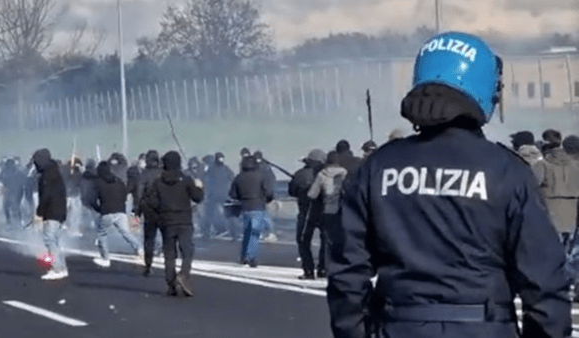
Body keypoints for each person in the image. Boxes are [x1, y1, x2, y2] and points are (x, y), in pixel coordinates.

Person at [327, 31, 571, 338]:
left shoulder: (377, 167)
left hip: (397, 325)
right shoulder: (506, 170)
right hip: (484, 327)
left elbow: (347, 274)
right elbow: (544, 280)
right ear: (486, 89)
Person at [144, 151, 204, 297]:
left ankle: (169, 283)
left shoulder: (156, 181)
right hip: (184, 220)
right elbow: (197, 198)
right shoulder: (186, 179)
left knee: (168, 253)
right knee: (187, 250)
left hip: (164, 220)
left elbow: (151, 201)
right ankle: (184, 273)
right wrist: (199, 187)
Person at [89, 161, 143, 268]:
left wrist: (99, 209)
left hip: (112, 211)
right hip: (126, 210)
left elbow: (92, 199)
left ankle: (105, 257)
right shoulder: (120, 181)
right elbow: (125, 194)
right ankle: (140, 248)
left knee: (102, 233)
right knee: (127, 232)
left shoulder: (98, 182)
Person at [288, 149, 327, 280]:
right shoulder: (325, 174)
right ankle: (323, 268)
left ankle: (308, 270)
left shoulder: (299, 174)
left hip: (305, 213)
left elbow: (292, 191)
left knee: (303, 242)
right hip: (323, 213)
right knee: (326, 241)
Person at [229, 155, 273, 268]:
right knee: (255, 233)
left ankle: (244, 256)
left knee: (247, 232)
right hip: (258, 206)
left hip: (245, 207)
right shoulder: (261, 176)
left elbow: (232, 194)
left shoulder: (239, 177)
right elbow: (269, 193)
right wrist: (266, 200)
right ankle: (251, 257)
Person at [32, 149, 69, 280]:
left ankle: (57, 268)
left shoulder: (47, 175)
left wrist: (39, 213)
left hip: (52, 212)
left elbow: (46, 196)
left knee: (49, 239)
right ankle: (62, 268)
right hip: (59, 211)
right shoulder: (55, 172)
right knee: (55, 240)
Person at [134, 150, 163, 276]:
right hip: (163, 209)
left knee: (149, 238)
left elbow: (139, 194)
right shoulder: (163, 173)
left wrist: (136, 212)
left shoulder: (144, 174)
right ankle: (166, 258)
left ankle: (148, 265)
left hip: (148, 209)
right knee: (165, 235)